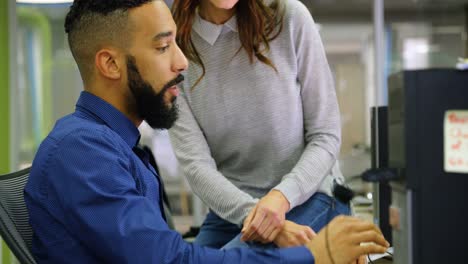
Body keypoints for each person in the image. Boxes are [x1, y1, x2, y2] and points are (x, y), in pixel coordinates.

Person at [24, 0, 389, 263]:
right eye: (164, 47)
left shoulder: (115, 147)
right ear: (109, 63)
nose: (183, 63)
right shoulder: (84, 154)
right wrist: (313, 256)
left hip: (305, 195)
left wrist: (282, 212)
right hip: (232, 208)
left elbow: (165, 253)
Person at [169, 0, 348, 250]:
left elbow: (326, 135)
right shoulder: (172, 47)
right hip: (234, 211)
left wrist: (280, 198)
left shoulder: (289, 17)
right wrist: (258, 215)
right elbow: (197, 166)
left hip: (309, 196)